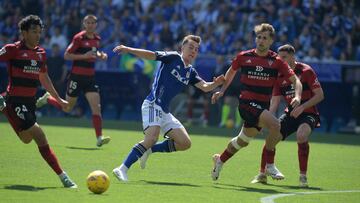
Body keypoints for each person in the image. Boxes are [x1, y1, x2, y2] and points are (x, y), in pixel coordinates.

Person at [112, 35, 225, 181]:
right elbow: (151, 55)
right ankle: (122, 168)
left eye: (196, 50)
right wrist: (128, 49)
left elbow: (204, 86)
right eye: (190, 47)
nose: (193, 51)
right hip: (153, 104)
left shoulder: (190, 72)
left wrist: (216, 84)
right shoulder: (173, 57)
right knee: (151, 137)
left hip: (164, 111)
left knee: (185, 143)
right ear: (182, 47)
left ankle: (150, 150)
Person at [210, 23, 302, 181]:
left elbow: (296, 81)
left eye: (265, 38)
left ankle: (220, 160)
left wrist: (298, 96)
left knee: (242, 142)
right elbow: (231, 72)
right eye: (258, 37)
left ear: (271, 41)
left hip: (261, 106)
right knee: (276, 125)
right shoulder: (244, 56)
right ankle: (270, 166)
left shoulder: (277, 61)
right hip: (247, 103)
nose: (260, 40)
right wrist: (222, 91)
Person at [0, 15, 77, 188]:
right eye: (34, 31)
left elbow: (44, 78)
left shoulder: (41, 53)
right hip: (16, 100)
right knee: (40, 135)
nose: (38, 35)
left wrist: (59, 99)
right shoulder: (12, 49)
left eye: (39, 32)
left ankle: (3, 108)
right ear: (24, 33)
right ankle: (63, 177)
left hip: (29, 102)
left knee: (27, 139)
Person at [251, 44, 324, 187]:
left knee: (302, 136)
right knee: (271, 138)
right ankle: (262, 174)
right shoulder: (279, 76)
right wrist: (267, 119)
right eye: (279, 57)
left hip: (308, 114)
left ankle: (303, 177)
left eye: (284, 57)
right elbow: (275, 101)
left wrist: (302, 106)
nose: (281, 60)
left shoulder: (306, 71)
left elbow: (320, 95)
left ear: (293, 57)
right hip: (290, 114)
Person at [36, 15, 110, 147]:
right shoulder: (79, 38)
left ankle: (99, 137)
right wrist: (84, 56)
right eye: (88, 22)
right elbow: (66, 55)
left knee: (96, 108)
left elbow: (94, 52)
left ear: (96, 25)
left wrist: (101, 55)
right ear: (84, 24)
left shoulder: (97, 39)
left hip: (90, 78)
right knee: (67, 108)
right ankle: (48, 99)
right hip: (76, 77)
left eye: (93, 23)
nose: (91, 25)